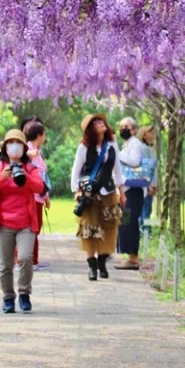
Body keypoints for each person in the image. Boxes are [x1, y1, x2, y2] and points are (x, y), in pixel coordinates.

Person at [0, 129, 45, 313]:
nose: (14, 146)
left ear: (24, 147)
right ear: (5, 147)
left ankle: (24, 293)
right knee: (6, 263)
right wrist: (2, 178)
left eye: (17, 142)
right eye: (10, 142)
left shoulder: (30, 168)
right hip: (3, 223)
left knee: (26, 257)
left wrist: (24, 177)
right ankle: (8, 297)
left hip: (25, 222)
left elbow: (40, 187)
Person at [70, 113, 125, 281]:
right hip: (89, 194)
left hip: (108, 192)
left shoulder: (112, 145)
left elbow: (117, 170)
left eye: (102, 121)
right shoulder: (84, 147)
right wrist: (76, 190)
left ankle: (102, 261)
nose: (101, 123)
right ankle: (92, 265)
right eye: (96, 122)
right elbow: (76, 171)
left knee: (109, 227)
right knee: (90, 229)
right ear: (90, 130)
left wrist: (122, 192)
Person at [115, 116, 147, 269]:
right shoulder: (127, 144)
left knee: (130, 223)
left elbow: (134, 161)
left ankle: (133, 258)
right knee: (125, 222)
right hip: (126, 190)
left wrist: (117, 154)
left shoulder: (136, 144)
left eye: (126, 126)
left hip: (133, 191)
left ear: (134, 129)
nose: (123, 129)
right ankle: (130, 257)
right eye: (121, 126)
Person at [23, 118, 51, 270]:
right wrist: (28, 154)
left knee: (35, 228)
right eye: (44, 133)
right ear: (39, 135)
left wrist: (46, 197)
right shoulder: (27, 151)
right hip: (30, 197)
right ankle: (25, 261)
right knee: (29, 228)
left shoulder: (38, 153)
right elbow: (20, 160)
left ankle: (33, 260)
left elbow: (42, 178)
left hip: (39, 196)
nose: (45, 136)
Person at [136, 125, 158, 231]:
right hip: (146, 185)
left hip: (149, 184)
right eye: (150, 132)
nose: (152, 134)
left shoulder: (150, 148)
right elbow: (145, 168)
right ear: (144, 135)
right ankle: (145, 232)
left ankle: (146, 231)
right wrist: (149, 185)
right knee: (145, 210)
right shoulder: (144, 149)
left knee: (147, 209)